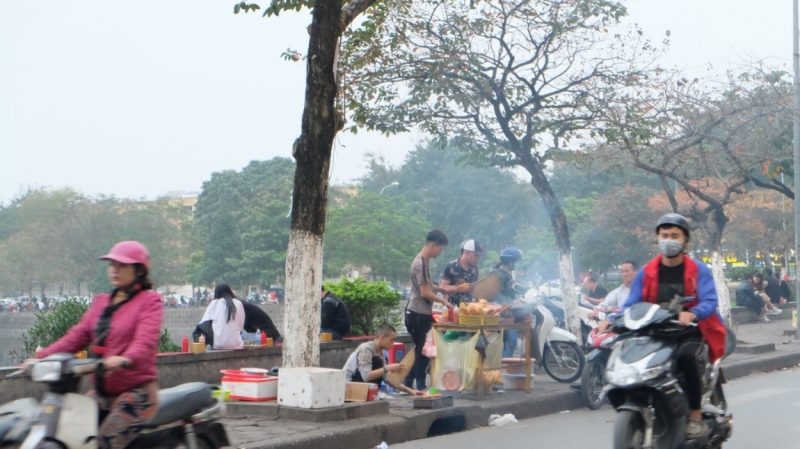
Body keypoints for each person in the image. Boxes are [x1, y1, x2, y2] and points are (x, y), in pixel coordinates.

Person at [597, 214, 727, 440]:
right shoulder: (647, 272)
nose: (669, 240)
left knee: (687, 357)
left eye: (675, 236)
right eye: (664, 235)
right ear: (657, 239)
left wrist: (692, 313)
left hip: (689, 331)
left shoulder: (699, 270)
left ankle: (694, 415)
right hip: (654, 333)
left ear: (685, 242)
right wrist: (613, 319)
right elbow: (631, 303)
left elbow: (709, 301)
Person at [26, 241, 162, 449]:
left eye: (122, 266)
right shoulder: (101, 302)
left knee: (102, 443)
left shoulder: (149, 301)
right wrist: (42, 357)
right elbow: (77, 336)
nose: (114, 270)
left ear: (139, 270)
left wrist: (126, 359)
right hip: (101, 393)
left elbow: (145, 341)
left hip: (137, 394)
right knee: (71, 433)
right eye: (112, 265)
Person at [404, 230, 457, 391]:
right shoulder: (421, 264)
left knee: (423, 349)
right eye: (440, 249)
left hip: (419, 313)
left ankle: (408, 381)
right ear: (432, 245)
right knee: (424, 351)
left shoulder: (423, 262)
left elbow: (429, 285)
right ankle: (420, 385)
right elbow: (425, 292)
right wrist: (443, 302)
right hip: (418, 313)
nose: (440, 253)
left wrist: (443, 289)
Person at [343, 323, 422, 395]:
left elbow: (388, 379)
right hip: (348, 386)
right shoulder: (366, 349)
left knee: (379, 363)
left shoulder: (381, 353)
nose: (393, 343)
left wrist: (410, 390)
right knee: (377, 361)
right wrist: (389, 367)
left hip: (360, 385)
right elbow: (366, 376)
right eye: (392, 340)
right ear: (382, 338)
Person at [490, 247, 524, 357]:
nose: (517, 263)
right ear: (510, 261)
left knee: (509, 342)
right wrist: (511, 301)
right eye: (516, 261)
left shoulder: (507, 274)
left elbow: (508, 291)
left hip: (507, 313)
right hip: (501, 314)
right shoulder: (499, 274)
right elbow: (494, 294)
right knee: (511, 342)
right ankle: (501, 369)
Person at [199, 284, 245, 350]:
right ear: (230, 291)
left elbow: (203, 323)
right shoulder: (239, 303)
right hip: (236, 344)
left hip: (217, 345)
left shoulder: (213, 303)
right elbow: (241, 325)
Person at [439, 239, 483, 307]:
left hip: (468, 310)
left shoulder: (474, 270)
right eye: (476, 255)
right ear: (467, 252)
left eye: (480, 256)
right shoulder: (451, 267)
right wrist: (457, 288)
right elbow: (442, 287)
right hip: (452, 308)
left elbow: (474, 290)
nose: (478, 258)